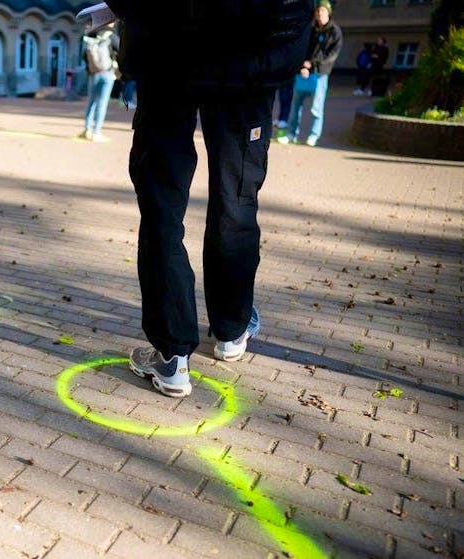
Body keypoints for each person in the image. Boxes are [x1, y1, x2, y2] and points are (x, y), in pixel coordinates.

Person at [101, 0, 311, 397]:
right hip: (246, 70)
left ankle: (172, 354)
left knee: (163, 207)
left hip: (168, 61)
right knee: (236, 201)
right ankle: (230, 330)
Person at [279, 0, 342, 147]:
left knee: (316, 109)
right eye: (318, 11)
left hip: (320, 75)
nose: (320, 14)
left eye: (323, 11)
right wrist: (302, 66)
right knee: (295, 107)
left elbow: (332, 55)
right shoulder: (311, 29)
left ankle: (313, 136)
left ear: (329, 13)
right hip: (303, 73)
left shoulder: (335, 32)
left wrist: (312, 64)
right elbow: (302, 49)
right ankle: (290, 134)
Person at [79, 22, 118, 142]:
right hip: (107, 73)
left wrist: (91, 68)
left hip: (93, 73)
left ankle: (87, 130)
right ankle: (96, 132)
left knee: (91, 101)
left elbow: (84, 55)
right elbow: (121, 53)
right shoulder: (112, 37)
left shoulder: (93, 34)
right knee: (102, 103)